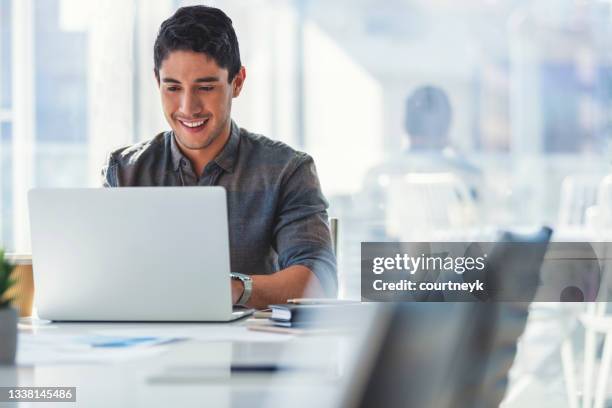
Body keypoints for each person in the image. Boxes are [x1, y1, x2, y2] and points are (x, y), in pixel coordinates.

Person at [101, 5, 336, 309]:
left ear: (237, 82)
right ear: (157, 82)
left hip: (250, 348)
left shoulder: (286, 170)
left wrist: (233, 289)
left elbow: (320, 281)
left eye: (206, 87)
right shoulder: (125, 171)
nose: (188, 107)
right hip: (151, 345)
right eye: (173, 87)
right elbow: (105, 277)